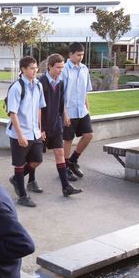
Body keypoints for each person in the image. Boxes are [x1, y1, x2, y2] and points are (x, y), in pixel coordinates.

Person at [5, 56, 46, 207]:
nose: (35, 71)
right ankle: (22, 195)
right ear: (23, 69)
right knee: (20, 165)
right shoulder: (16, 87)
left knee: (37, 161)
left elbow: (39, 109)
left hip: (34, 132)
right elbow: (13, 113)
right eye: (31, 68)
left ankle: (17, 179)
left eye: (36, 68)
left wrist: (40, 129)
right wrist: (20, 135)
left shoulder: (38, 85)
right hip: (19, 133)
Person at [40, 54, 83, 197]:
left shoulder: (60, 82)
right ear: (50, 66)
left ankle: (66, 187)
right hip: (43, 126)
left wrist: (65, 114)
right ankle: (26, 179)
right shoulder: (41, 82)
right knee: (35, 158)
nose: (60, 70)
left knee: (59, 153)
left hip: (56, 124)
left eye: (62, 67)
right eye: (58, 67)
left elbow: (61, 101)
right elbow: (37, 108)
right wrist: (39, 128)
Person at [62, 42, 94, 182]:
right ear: (70, 54)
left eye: (82, 55)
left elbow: (85, 91)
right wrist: (64, 113)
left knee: (88, 135)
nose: (81, 57)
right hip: (68, 110)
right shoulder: (63, 70)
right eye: (78, 55)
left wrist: (87, 108)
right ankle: (64, 168)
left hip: (82, 110)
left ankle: (73, 161)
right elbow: (60, 94)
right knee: (68, 139)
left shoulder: (84, 69)